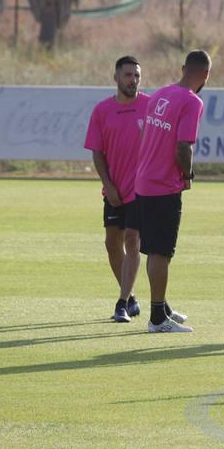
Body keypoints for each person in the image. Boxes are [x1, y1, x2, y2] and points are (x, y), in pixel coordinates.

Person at [133, 50, 211, 334]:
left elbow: (146, 136)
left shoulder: (160, 94)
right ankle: (156, 318)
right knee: (160, 251)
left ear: (183, 68)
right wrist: (188, 174)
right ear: (206, 75)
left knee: (155, 248)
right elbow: (183, 146)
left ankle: (161, 305)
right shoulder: (192, 101)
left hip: (144, 180)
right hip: (163, 185)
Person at [84, 55, 149, 323]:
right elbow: (97, 154)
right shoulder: (102, 111)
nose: (132, 80)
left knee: (132, 240)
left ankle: (121, 304)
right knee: (112, 245)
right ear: (116, 78)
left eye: (136, 75)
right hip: (114, 190)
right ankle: (131, 298)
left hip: (142, 189)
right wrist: (108, 186)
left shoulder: (150, 105)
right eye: (127, 75)